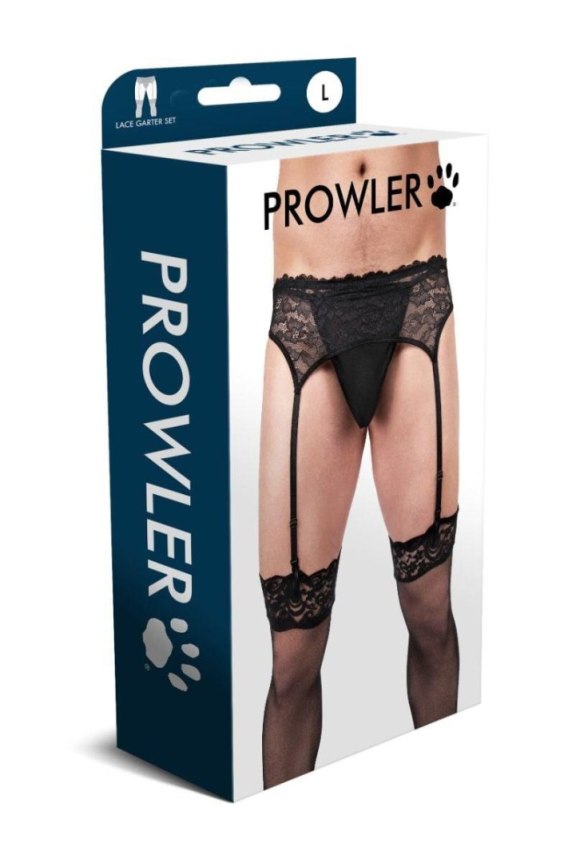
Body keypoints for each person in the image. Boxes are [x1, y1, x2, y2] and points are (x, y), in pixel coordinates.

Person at [258, 141, 460, 790]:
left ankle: (449, 815)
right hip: (306, 307)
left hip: (418, 293)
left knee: (430, 612)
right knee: (292, 657)